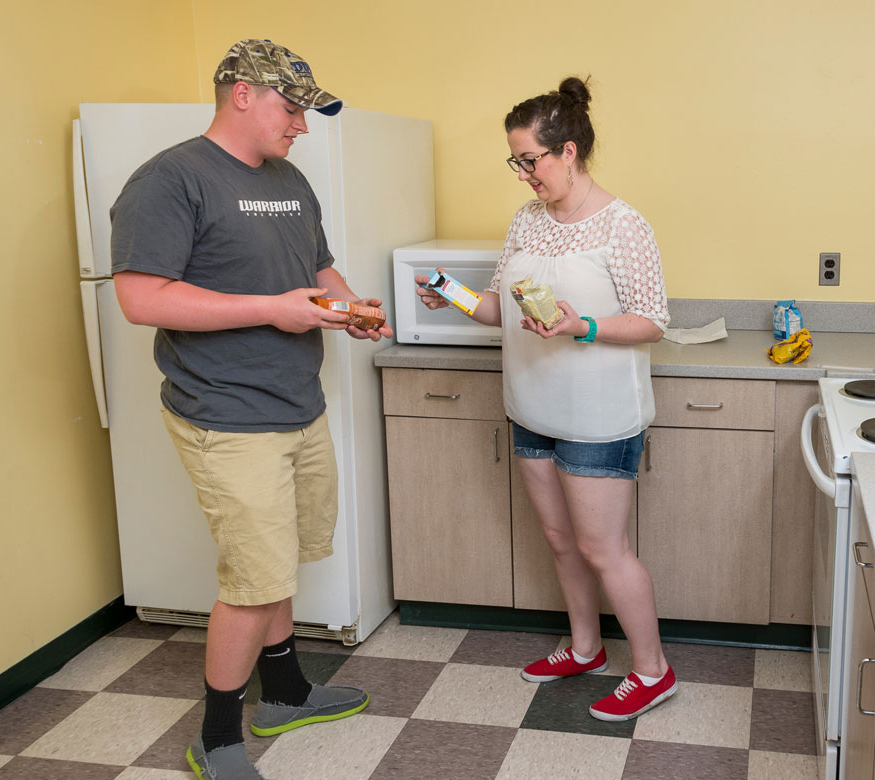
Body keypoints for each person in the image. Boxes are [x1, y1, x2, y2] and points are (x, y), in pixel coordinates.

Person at [110, 39, 385, 779]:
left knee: (280, 556)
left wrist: (348, 305)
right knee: (252, 581)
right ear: (241, 94)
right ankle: (220, 737)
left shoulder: (289, 180)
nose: (300, 125)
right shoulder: (171, 180)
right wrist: (273, 309)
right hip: (225, 414)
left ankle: (286, 693)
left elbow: (315, 268)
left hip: (296, 399)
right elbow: (140, 298)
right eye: (290, 108)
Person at [416, 76, 677, 721]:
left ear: (569, 152)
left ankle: (653, 671)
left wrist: (580, 325)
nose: (525, 174)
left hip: (598, 415)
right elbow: (500, 309)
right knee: (561, 539)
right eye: (518, 161)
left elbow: (652, 319)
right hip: (531, 404)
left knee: (602, 548)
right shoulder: (527, 223)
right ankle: (585, 647)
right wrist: (447, 290)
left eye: (531, 159)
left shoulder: (623, 226)